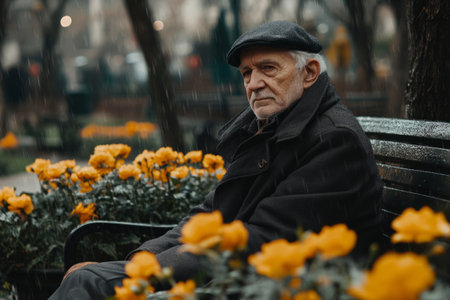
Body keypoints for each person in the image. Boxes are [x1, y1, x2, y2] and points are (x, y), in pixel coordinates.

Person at [49, 20, 383, 299]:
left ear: (309, 72)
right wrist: (145, 258)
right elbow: (212, 214)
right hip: (243, 275)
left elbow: (262, 240)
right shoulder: (273, 129)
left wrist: (146, 274)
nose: (254, 84)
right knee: (85, 279)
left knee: (86, 283)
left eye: (268, 68)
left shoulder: (333, 140)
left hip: (278, 285)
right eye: (247, 73)